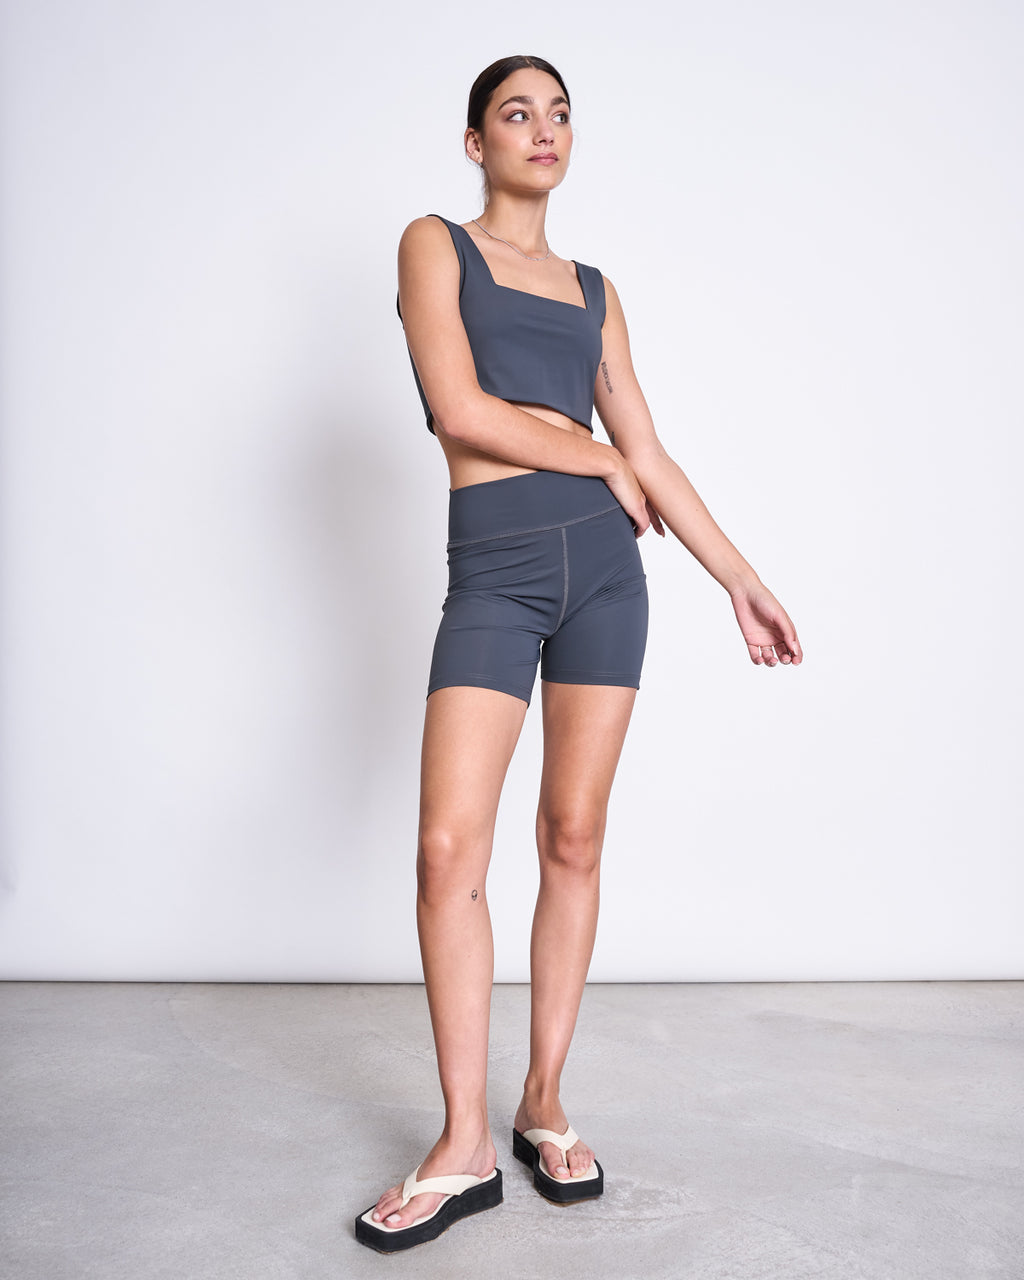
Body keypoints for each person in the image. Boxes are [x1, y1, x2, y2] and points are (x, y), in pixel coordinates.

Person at [355, 54, 802, 1253]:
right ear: (473, 141)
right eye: (516, 112)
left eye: (559, 114)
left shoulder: (596, 289)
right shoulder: (431, 245)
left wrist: (739, 580)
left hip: (608, 574)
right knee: (449, 844)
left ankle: (541, 1096)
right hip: (495, 567)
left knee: (573, 835)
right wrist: (594, 459)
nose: (541, 130)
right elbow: (458, 408)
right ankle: (460, 1141)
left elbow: (646, 449)